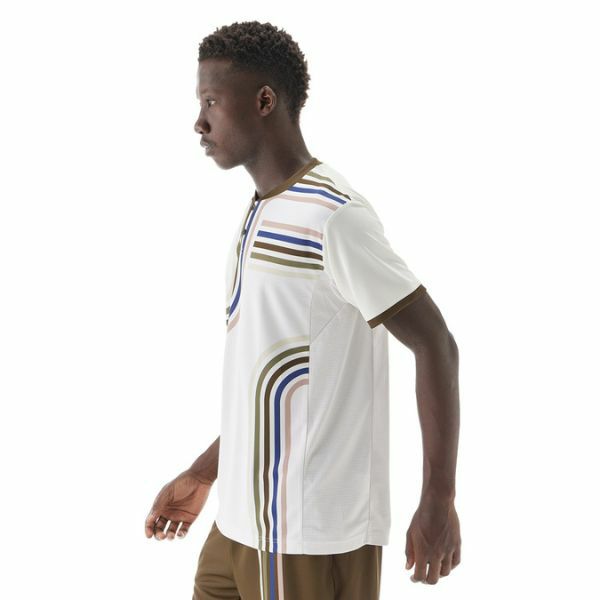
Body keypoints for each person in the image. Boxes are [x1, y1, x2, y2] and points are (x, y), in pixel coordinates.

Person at [144, 20, 461, 599]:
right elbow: (272, 379)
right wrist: (205, 471)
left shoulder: (335, 217)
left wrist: (438, 499)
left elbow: (435, 342)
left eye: (211, 101)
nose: (199, 122)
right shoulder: (262, 209)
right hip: (237, 525)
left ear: (264, 101)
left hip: (303, 535)